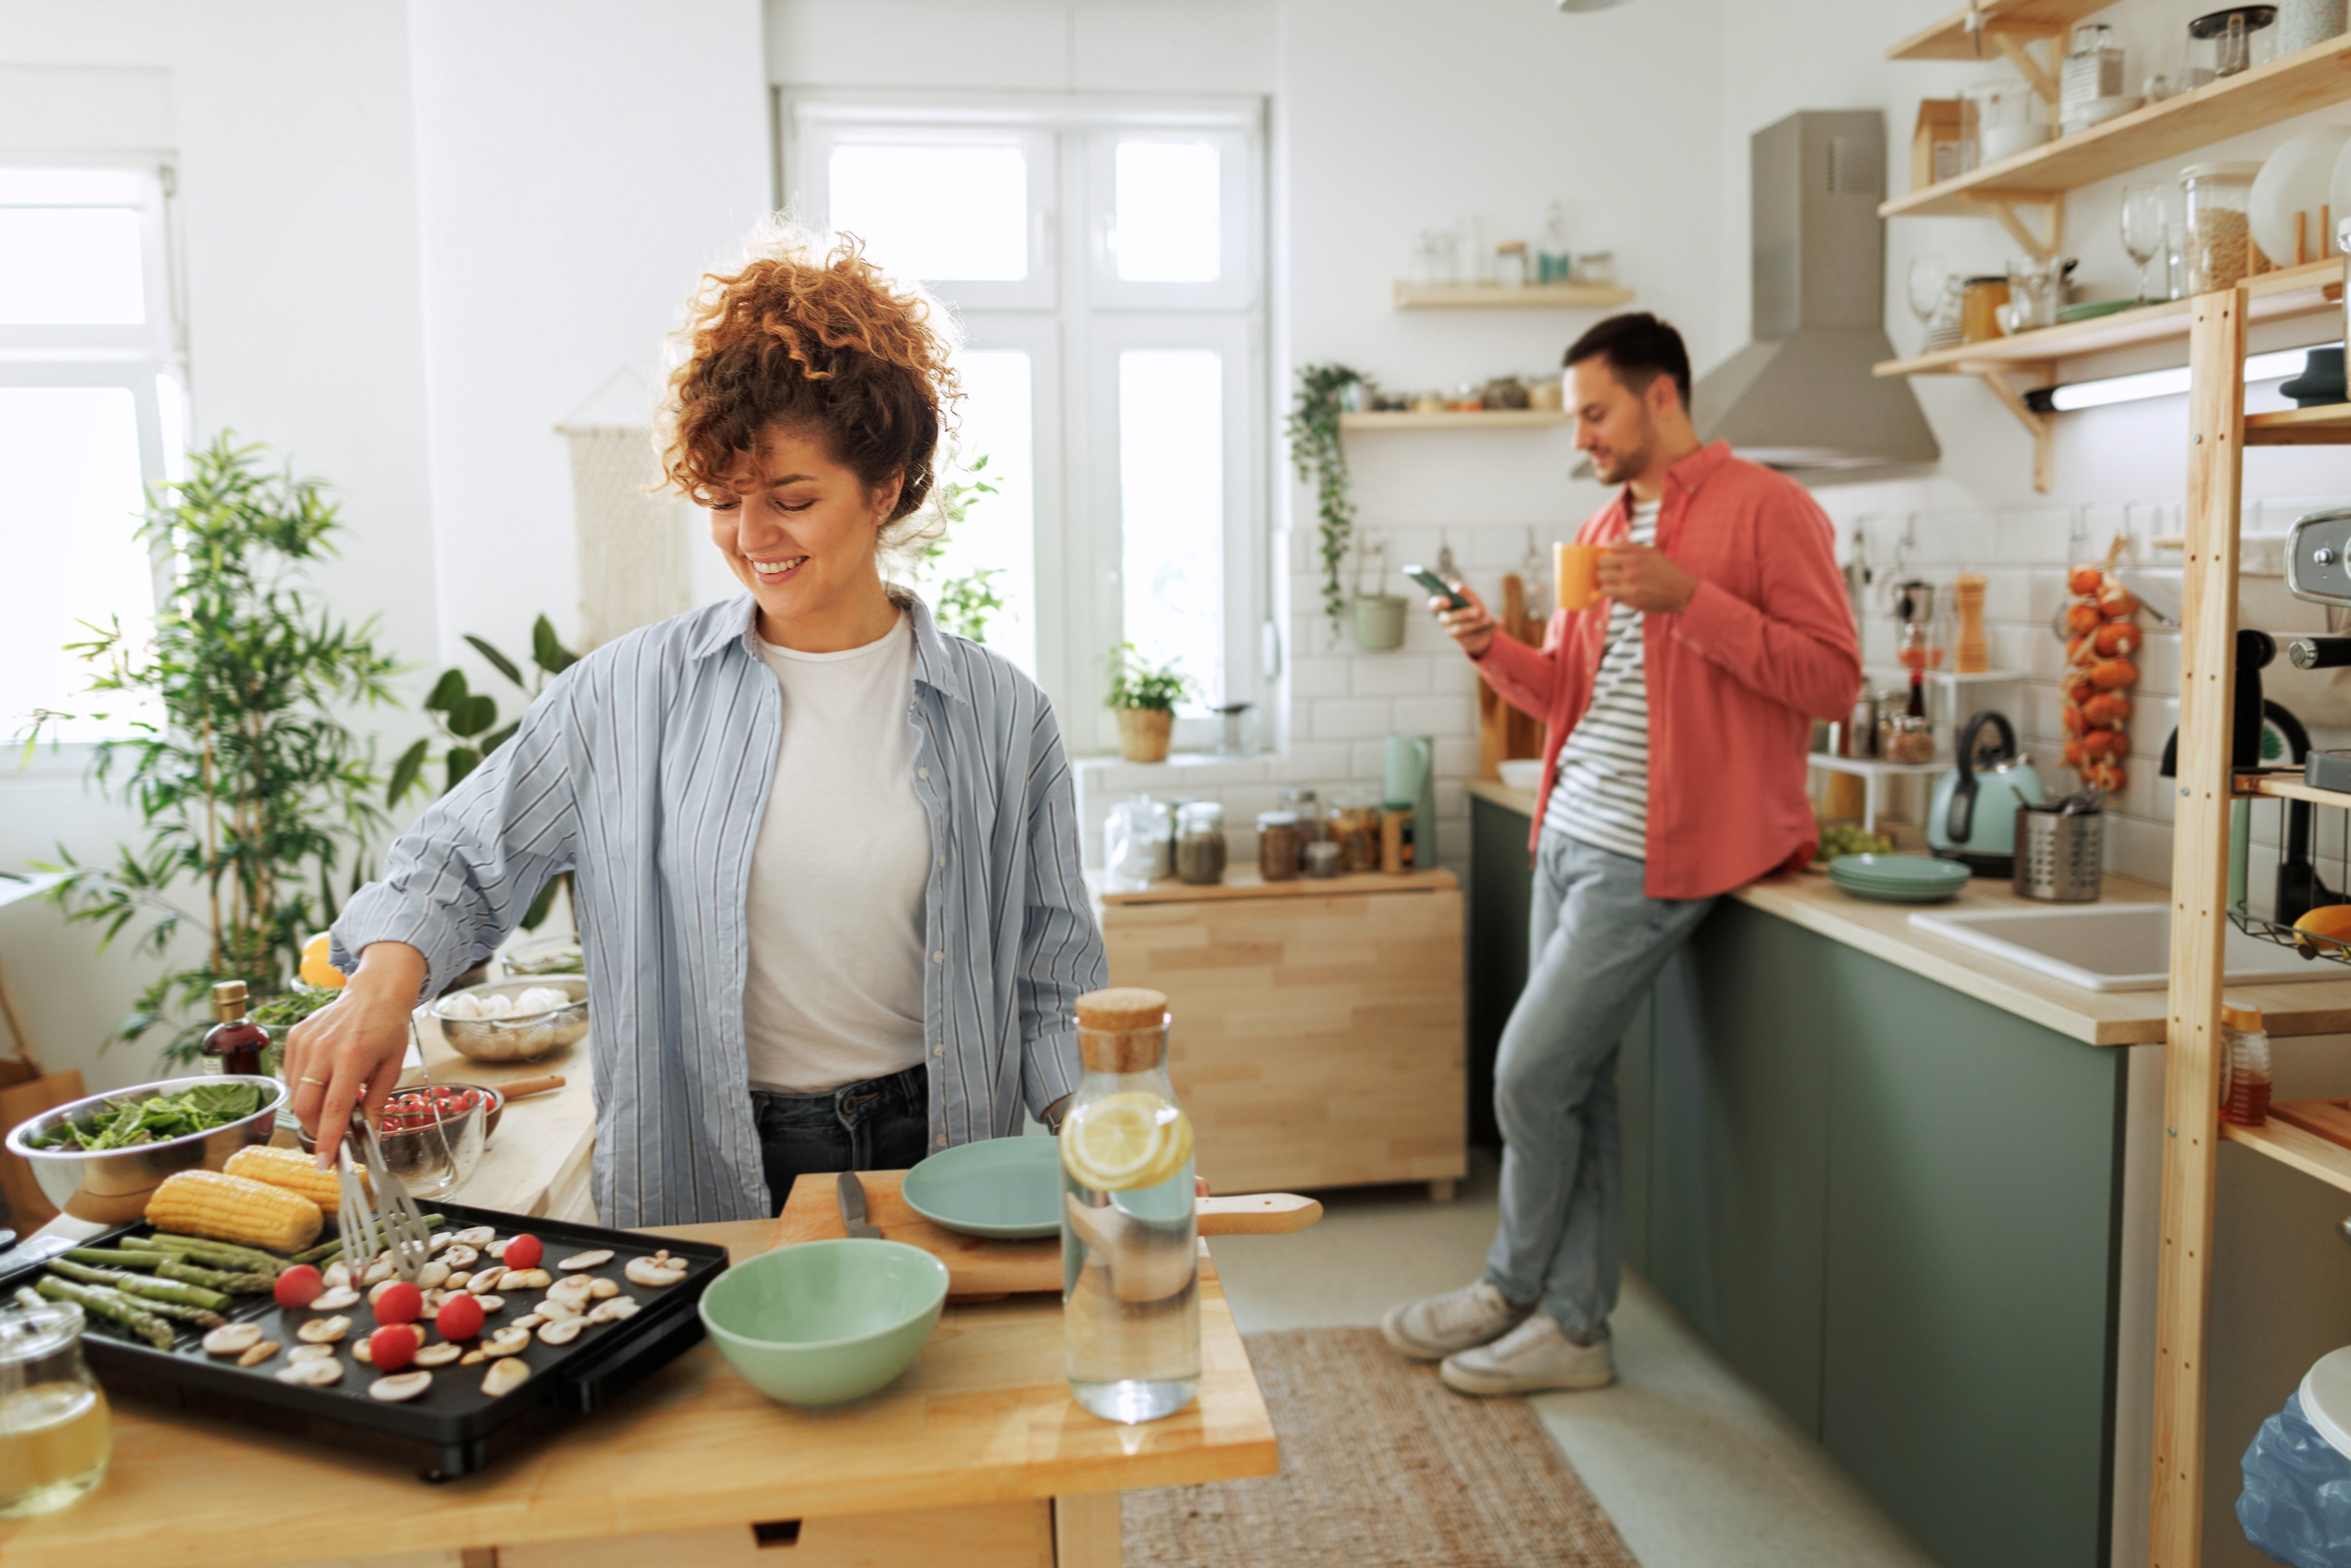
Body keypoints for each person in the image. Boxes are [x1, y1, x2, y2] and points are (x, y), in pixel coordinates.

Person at [284, 223, 1105, 1227]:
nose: (752, 536)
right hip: (707, 1154)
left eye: (793, 500)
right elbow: (461, 858)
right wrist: (381, 983)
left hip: (941, 1151)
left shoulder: (1002, 715)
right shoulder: (626, 696)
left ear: (885, 488)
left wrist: (1103, 1130)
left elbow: (1049, 981)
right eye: (724, 500)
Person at [1383, 313, 1860, 1395]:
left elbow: (1833, 681)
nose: (1583, 437)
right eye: (1576, 420)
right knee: (1577, 1086)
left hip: (1662, 852)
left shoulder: (1770, 511)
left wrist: (1694, 600)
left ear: (1662, 396)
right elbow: (1572, 694)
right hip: (1570, 836)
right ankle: (1573, 1327)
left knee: (1531, 1072)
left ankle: (1515, 1289)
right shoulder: (1602, 525)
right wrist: (1491, 650)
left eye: (1595, 413)